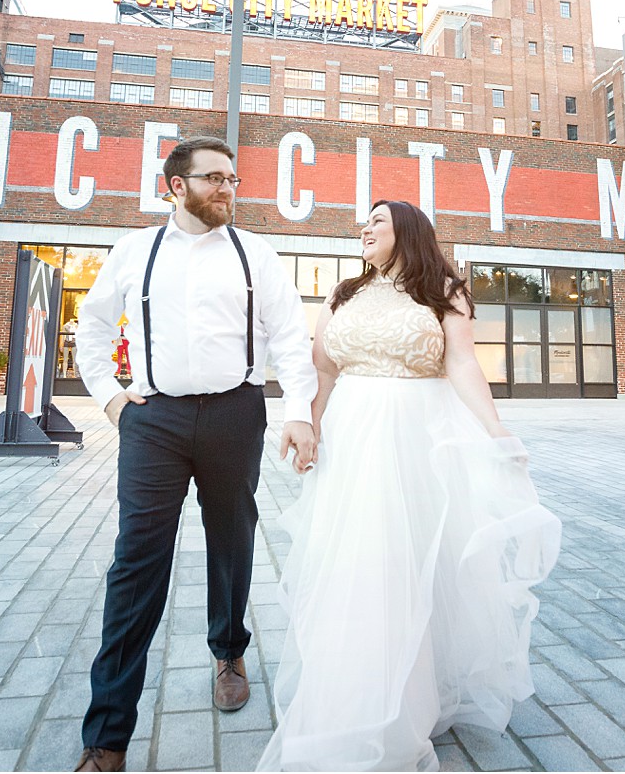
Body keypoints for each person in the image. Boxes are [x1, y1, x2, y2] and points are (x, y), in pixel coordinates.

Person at [257, 199, 561, 771]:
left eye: (376, 220)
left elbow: (463, 366)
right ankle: (356, 683)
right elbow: (322, 367)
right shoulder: (344, 293)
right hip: (352, 441)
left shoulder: (444, 291)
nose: (364, 229)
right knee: (356, 563)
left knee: (407, 565)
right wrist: (310, 427)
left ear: (408, 231)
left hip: (414, 444)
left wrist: (496, 432)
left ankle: (404, 700)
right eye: (363, 223)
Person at [72, 136, 319, 773]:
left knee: (233, 539)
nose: (228, 189)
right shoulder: (134, 252)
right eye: (214, 179)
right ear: (175, 186)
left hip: (236, 411)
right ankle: (106, 738)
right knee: (135, 563)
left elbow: (291, 335)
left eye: (232, 178)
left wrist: (297, 412)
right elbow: (94, 326)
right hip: (153, 418)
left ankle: (229, 651)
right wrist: (111, 400)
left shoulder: (254, 253)